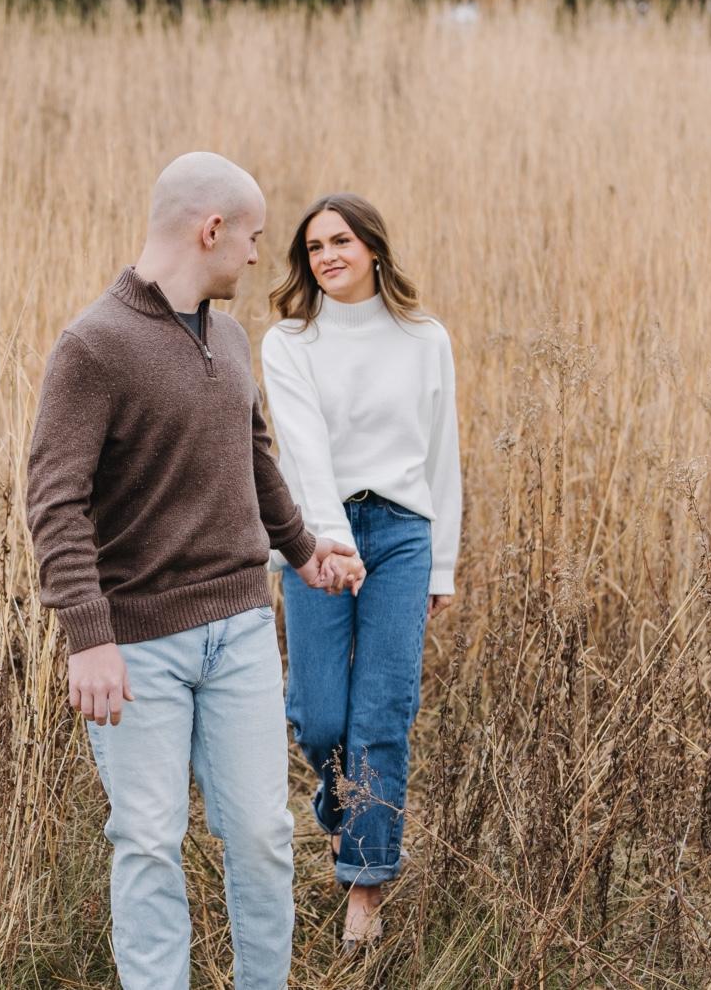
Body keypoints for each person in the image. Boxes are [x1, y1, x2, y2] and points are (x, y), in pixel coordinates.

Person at [26, 152, 365, 990]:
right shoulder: (93, 347)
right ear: (210, 229)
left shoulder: (228, 334)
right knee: (147, 839)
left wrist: (302, 547)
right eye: (250, 237)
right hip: (138, 650)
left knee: (261, 834)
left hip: (243, 632)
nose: (257, 255)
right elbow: (54, 503)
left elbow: (252, 460)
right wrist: (88, 638)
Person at [260, 192, 462, 953]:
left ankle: (365, 890)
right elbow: (303, 449)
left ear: (373, 247)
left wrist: (441, 563)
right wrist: (333, 545)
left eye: (341, 241)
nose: (327, 257)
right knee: (317, 715)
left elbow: (442, 452)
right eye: (314, 248)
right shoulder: (290, 341)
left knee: (384, 711)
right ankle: (343, 805)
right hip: (316, 535)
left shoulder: (423, 337)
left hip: (404, 536)